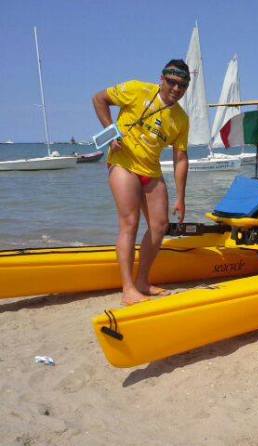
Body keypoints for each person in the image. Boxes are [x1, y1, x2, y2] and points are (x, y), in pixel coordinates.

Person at [92, 60, 190, 305]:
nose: (176, 89)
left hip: (151, 171)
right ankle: (128, 289)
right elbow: (98, 99)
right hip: (123, 164)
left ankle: (142, 281)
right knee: (130, 223)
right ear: (162, 79)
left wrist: (180, 197)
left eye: (183, 85)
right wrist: (110, 131)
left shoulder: (181, 118)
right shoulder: (137, 90)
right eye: (172, 82)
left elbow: (180, 157)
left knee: (159, 226)